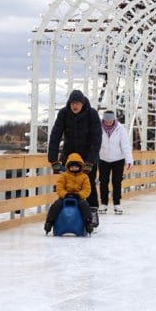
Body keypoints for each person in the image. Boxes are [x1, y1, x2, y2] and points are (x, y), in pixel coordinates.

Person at [48, 89, 102, 227]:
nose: (74, 106)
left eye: (77, 103)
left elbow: (97, 139)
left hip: (87, 155)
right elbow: (55, 136)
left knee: (88, 183)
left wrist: (90, 162)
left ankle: (93, 211)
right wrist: (53, 159)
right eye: (72, 103)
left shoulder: (92, 114)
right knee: (67, 183)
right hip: (69, 155)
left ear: (82, 103)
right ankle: (65, 215)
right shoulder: (64, 113)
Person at [44, 153, 94, 234]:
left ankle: (88, 223)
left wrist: (79, 195)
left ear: (80, 167)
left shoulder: (84, 177)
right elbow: (59, 187)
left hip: (78, 198)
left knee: (85, 206)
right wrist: (65, 194)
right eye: (72, 167)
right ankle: (49, 222)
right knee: (55, 205)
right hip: (65, 197)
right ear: (68, 167)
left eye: (76, 167)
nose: (74, 168)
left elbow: (87, 189)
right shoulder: (64, 176)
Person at [98, 110, 133, 214]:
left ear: (114, 119)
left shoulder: (120, 129)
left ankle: (117, 203)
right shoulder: (99, 128)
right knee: (103, 181)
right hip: (103, 158)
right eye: (106, 120)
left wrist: (129, 160)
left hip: (118, 159)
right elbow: (95, 143)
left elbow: (125, 145)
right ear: (103, 119)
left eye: (110, 120)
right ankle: (104, 203)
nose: (108, 122)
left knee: (117, 181)